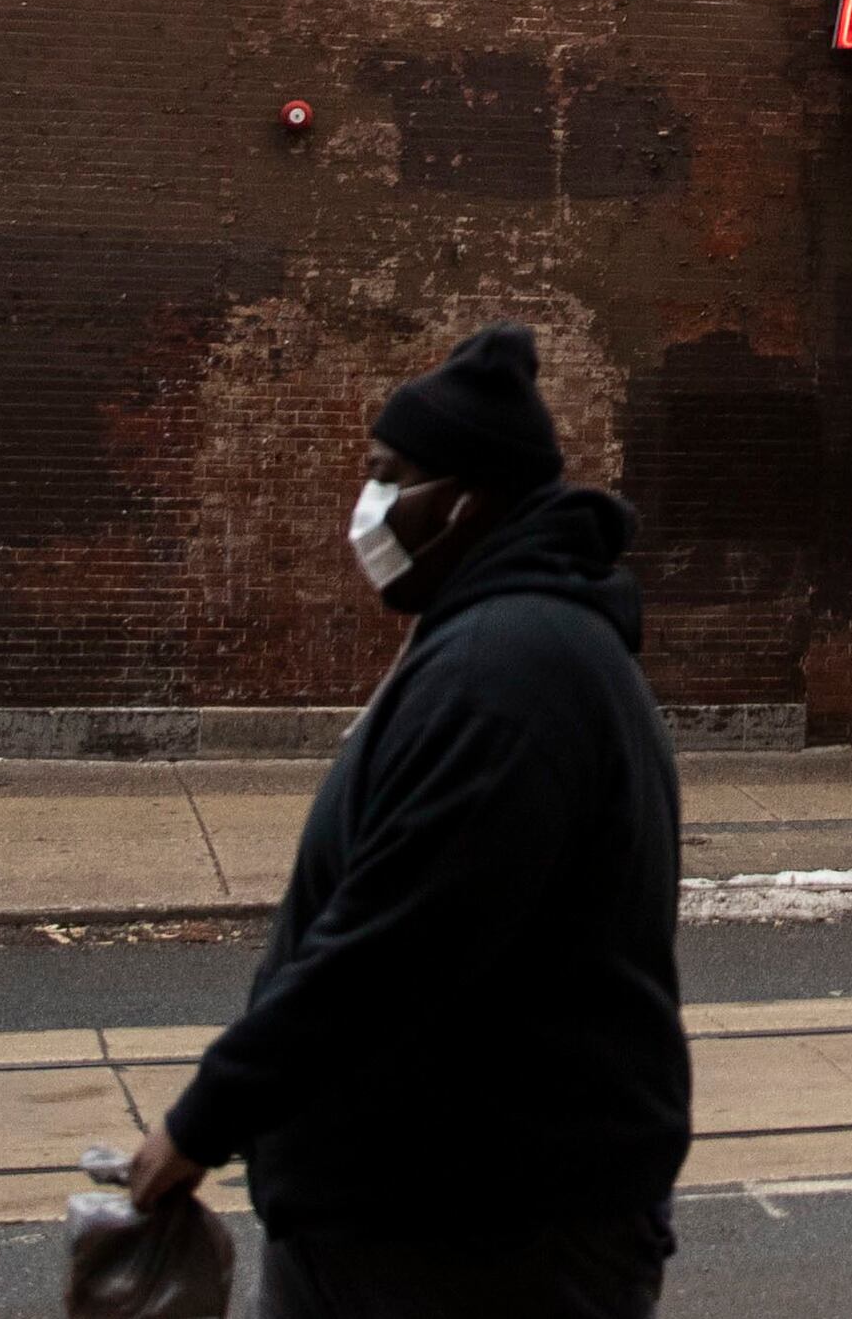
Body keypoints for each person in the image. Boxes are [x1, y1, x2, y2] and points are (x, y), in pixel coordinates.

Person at [119, 325, 685, 1318]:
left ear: (466, 496)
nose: (367, 508)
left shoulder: (511, 672)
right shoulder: (501, 642)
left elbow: (394, 942)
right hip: (439, 1217)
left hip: (475, 1234)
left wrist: (204, 1119)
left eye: (389, 477)